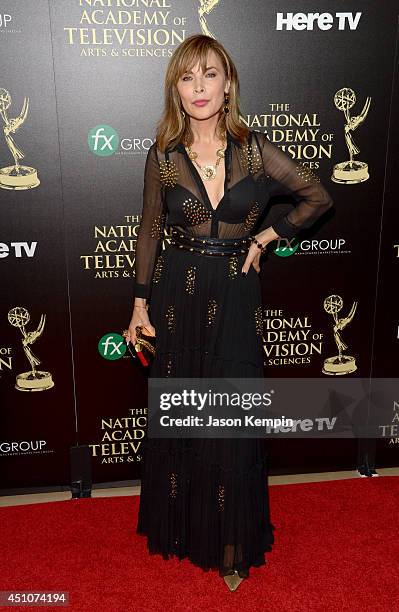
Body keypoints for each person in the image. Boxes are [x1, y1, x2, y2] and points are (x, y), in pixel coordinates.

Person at [125, 33, 334, 591]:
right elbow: (149, 229)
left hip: (237, 295)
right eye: (188, 77)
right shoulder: (163, 157)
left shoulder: (254, 149)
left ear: (228, 83)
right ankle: (190, 531)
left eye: (210, 74)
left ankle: (234, 545)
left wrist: (267, 235)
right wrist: (139, 305)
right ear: (176, 87)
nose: (199, 87)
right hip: (179, 300)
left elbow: (317, 197)